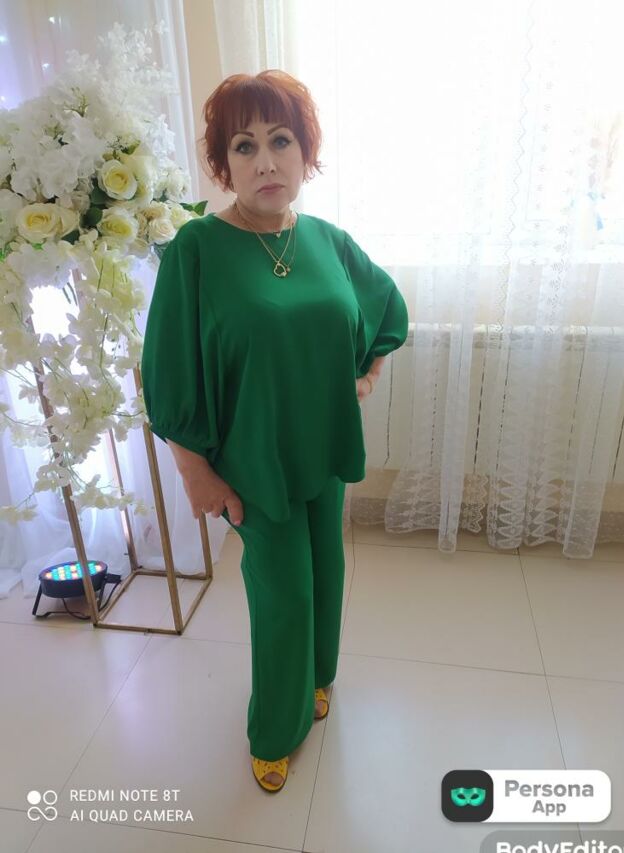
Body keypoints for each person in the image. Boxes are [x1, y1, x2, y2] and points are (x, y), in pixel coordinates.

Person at [140, 70, 409, 793]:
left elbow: (384, 309)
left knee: (326, 573)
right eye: (245, 145)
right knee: (282, 593)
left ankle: (319, 678)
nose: (266, 161)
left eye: (281, 141)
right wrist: (195, 469)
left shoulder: (327, 241)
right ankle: (275, 729)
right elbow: (167, 368)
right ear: (222, 164)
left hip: (323, 447)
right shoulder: (196, 249)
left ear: (305, 153)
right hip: (252, 461)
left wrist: (367, 371)